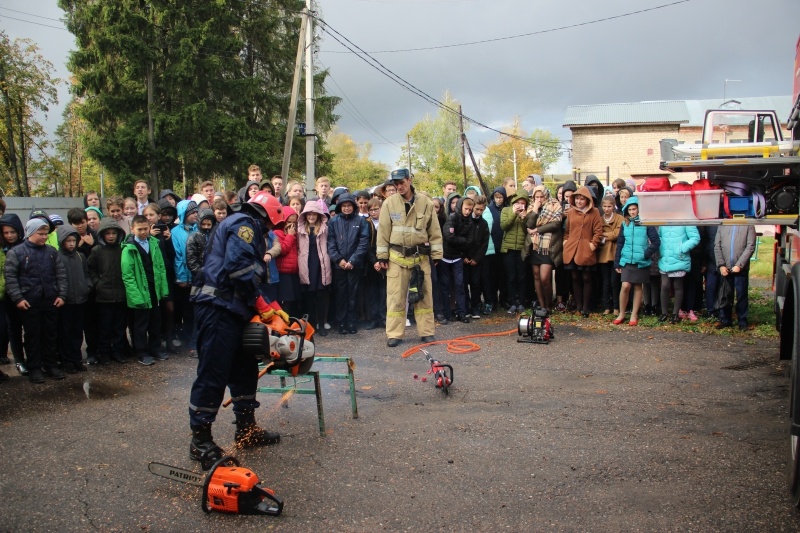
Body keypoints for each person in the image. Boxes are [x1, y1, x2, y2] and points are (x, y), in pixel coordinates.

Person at [188, 191, 284, 463]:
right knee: (213, 373)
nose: (270, 231)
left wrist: (262, 304)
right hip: (218, 309)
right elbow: (238, 267)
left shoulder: (244, 224)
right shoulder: (245, 224)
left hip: (234, 309)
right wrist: (258, 301)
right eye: (271, 226)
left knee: (244, 369)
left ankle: (247, 430)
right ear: (266, 216)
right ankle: (200, 441)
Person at [376, 168, 443, 347]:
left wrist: (437, 254)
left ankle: (427, 332)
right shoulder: (389, 203)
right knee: (396, 297)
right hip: (396, 259)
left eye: (401, 182)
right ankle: (394, 334)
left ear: (409, 180)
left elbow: (434, 231)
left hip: (420, 259)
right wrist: (382, 256)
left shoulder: (426, 203)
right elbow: (382, 232)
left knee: (424, 297)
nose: (399, 186)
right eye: (395, 183)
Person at [5, 218, 67, 383]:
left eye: (46, 233)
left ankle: (51, 365)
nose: (44, 237)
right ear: (30, 233)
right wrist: (18, 298)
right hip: (29, 302)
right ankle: (35, 367)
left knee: (50, 334)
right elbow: (10, 278)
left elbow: (60, 274)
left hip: (50, 300)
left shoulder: (52, 252)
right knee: (32, 336)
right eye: (40, 234)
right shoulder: (16, 252)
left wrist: (62, 295)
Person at [122, 215, 169, 366]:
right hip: (140, 292)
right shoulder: (129, 249)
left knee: (156, 322)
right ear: (132, 229)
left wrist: (163, 289)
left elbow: (161, 268)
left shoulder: (154, 243)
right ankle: (141, 352)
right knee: (140, 325)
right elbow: (128, 275)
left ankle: (154, 348)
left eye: (145, 229)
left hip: (154, 289)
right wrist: (135, 296)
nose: (143, 232)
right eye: (139, 229)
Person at [613, 197, 660, 326]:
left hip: (641, 260)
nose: (632, 212)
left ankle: (634, 315)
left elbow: (656, 242)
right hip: (627, 259)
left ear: (639, 209)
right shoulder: (625, 224)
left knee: (638, 286)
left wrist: (646, 253)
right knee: (625, 286)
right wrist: (617, 261)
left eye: (634, 209)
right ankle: (622, 313)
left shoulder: (646, 224)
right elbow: (620, 243)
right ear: (626, 211)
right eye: (630, 209)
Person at [88, 217, 128, 365]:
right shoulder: (97, 250)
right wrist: (97, 284)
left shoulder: (122, 249)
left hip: (121, 295)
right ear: (102, 235)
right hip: (103, 297)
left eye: (114, 233)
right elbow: (90, 270)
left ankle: (118, 352)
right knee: (104, 327)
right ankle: (104, 353)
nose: (111, 236)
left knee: (119, 327)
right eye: (108, 233)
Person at [327, 193, 369, 334]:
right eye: (344, 206)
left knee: (353, 295)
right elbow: (330, 243)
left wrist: (353, 261)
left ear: (353, 206)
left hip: (355, 265)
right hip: (339, 265)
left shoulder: (361, 221)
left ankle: (352, 322)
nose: (346, 208)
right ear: (340, 207)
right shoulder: (333, 221)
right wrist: (339, 260)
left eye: (349, 206)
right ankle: (341, 323)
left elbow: (363, 243)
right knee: (340, 295)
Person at [55, 224, 92, 373]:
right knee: (65, 332)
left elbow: (86, 274)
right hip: (66, 301)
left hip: (81, 300)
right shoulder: (57, 257)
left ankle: (76, 359)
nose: (71, 244)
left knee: (77, 332)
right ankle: (67, 361)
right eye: (68, 240)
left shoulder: (80, 256)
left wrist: (87, 287)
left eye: (73, 240)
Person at [562, 186, 603, 318]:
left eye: (582, 199)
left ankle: (586, 307)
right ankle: (578, 306)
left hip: (586, 248)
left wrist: (592, 245)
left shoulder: (595, 212)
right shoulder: (571, 212)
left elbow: (598, 231)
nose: (579, 202)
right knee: (574, 277)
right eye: (577, 199)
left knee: (586, 277)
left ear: (587, 200)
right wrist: (566, 241)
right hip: (572, 248)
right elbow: (567, 230)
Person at [525, 185, 562, 313]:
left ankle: (548, 304)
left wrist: (538, 229)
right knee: (536, 276)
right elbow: (529, 224)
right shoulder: (531, 207)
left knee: (545, 277)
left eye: (542, 196)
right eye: (537, 197)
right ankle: (542, 305)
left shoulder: (555, 205)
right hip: (535, 245)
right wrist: (535, 208)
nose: (539, 199)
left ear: (546, 195)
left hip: (548, 246)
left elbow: (556, 223)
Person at [297, 200, 332, 335]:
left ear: (318, 215)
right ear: (305, 215)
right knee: (309, 297)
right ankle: (311, 325)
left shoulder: (324, 229)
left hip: (321, 264)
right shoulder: (300, 229)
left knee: (321, 295)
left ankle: (322, 324)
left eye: (314, 214)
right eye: (309, 214)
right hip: (306, 265)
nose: (311, 217)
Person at [440, 196, 476, 323]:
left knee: (460, 285)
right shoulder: (452, 218)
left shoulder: (470, 222)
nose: (468, 212)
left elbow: (470, 241)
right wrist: (462, 240)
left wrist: (459, 240)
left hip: (457, 258)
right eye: (466, 209)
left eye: (470, 210)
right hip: (445, 257)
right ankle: (446, 313)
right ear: (461, 207)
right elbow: (448, 237)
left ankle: (462, 313)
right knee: (445, 286)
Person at [714, 225, 756, 330]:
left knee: (741, 294)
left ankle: (742, 321)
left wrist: (739, 265)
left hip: (740, 269)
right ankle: (725, 320)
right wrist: (721, 264)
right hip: (725, 267)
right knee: (726, 294)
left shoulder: (748, 225)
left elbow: (750, 246)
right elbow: (717, 245)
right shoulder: (722, 225)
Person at [658, 224, 700, 323]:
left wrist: (681, 248)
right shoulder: (663, 220)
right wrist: (661, 248)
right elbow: (659, 236)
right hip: (665, 258)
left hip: (680, 258)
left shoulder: (686, 219)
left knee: (678, 286)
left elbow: (695, 238)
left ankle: (675, 314)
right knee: (665, 286)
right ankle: (664, 313)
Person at [0, 214, 26, 374]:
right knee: (12, 329)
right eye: (6, 233)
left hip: (26, 295)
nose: (9, 235)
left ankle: (33, 360)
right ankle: (19, 361)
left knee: (30, 330)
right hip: (7, 297)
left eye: (12, 232)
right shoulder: (2, 249)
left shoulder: (25, 246)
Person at [500, 193, 530, 313]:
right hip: (508, 248)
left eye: (523, 203)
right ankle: (512, 302)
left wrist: (523, 218)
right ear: (514, 203)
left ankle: (521, 302)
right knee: (510, 276)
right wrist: (514, 213)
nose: (520, 205)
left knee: (522, 277)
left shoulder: (528, 213)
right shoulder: (506, 210)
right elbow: (504, 226)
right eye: (518, 203)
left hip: (522, 248)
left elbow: (527, 229)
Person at [598, 196, 623, 315]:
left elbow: (617, 234)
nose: (607, 209)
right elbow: (597, 235)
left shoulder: (620, 218)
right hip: (603, 254)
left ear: (614, 207)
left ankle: (617, 307)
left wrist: (605, 235)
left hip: (615, 254)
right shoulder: (599, 219)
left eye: (609, 206)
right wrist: (609, 235)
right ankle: (607, 307)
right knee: (605, 282)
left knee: (615, 282)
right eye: (605, 206)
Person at [466, 196, 490, 319]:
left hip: (477, 259)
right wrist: (464, 256)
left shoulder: (483, 223)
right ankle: (465, 307)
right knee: (464, 283)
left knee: (476, 283)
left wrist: (476, 258)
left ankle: (475, 306)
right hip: (464, 258)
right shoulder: (465, 221)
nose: (479, 212)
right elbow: (461, 240)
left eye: (481, 210)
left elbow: (485, 244)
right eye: (477, 209)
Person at [364, 198, 386, 329]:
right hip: (371, 261)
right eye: (371, 210)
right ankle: (374, 318)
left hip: (384, 260)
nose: (373, 212)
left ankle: (383, 317)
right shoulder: (366, 223)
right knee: (372, 291)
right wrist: (374, 262)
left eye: (376, 209)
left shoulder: (385, 222)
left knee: (383, 291)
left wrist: (382, 260)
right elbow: (366, 245)